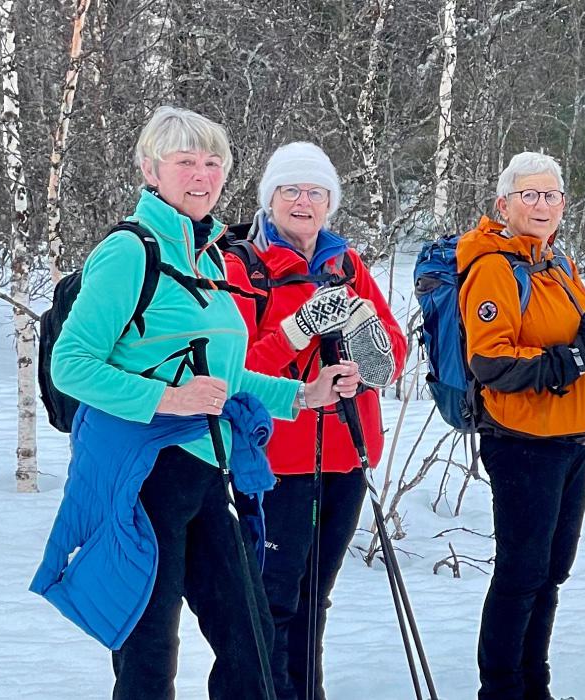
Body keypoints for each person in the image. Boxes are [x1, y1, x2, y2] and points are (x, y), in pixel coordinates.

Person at [34, 105, 358, 700]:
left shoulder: (207, 256)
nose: (202, 175)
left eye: (213, 163)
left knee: (251, 638)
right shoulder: (131, 251)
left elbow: (226, 379)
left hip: (207, 472)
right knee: (149, 651)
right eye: (186, 162)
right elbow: (72, 364)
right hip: (146, 476)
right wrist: (169, 397)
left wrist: (304, 395)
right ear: (150, 169)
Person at [223, 141, 408, 699]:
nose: (303, 202)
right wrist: (298, 330)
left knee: (314, 599)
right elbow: (235, 370)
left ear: (330, 202)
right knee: (273, 598)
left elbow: (394, 351)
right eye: (291, 190)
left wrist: (363, 367)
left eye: (316, 192)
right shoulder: (242, 264)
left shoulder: (345, 264)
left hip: (346, 454)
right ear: (269, 198)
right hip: (277, 462)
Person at [460, 151, 585, 699]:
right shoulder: (493, 266)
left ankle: (534, 685)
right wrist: (578, 360)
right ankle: (502, 689)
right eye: (529, 195)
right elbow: (491, 363)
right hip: (523, 441)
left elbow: (574, 336)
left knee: (551, 572)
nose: (542, 205)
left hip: (575, 434)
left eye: (551, 195)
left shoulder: (555, 262)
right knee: (521, 574)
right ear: (504, 204)